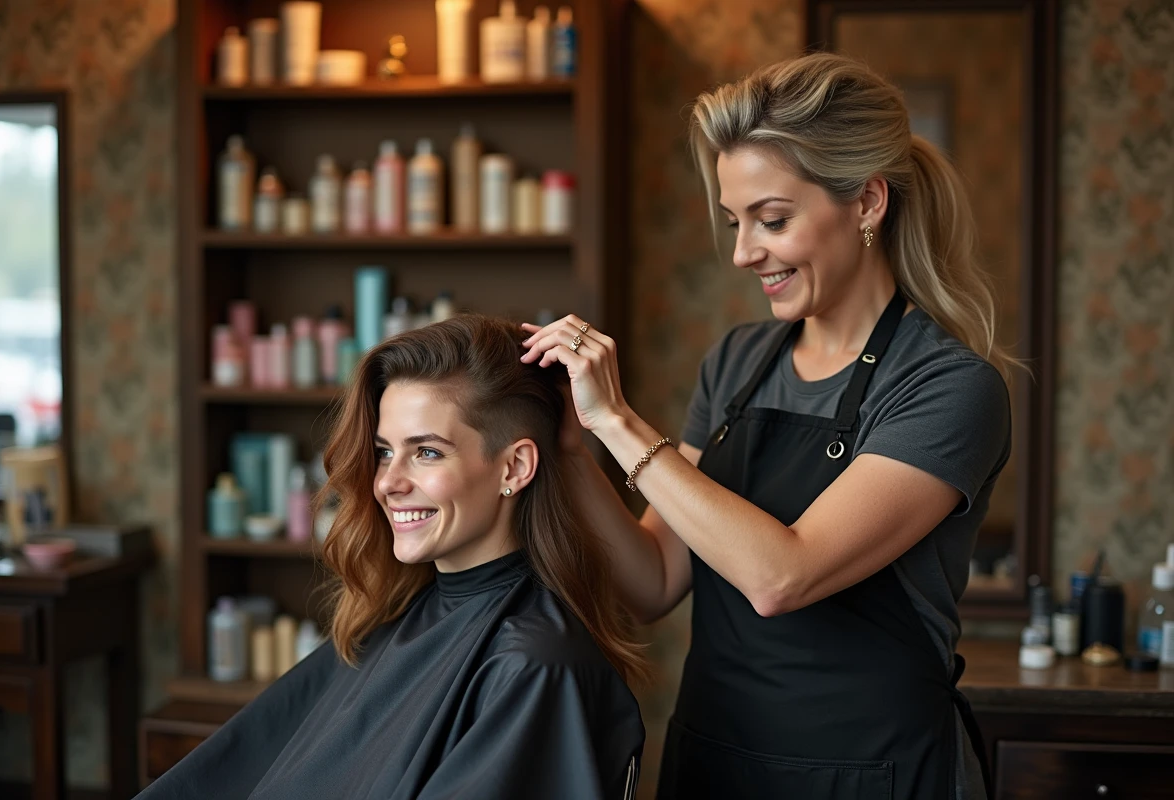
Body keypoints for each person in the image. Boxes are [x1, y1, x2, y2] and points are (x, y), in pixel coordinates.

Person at [521, 52, 1012, 800]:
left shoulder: (947, 386)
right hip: (717, 763)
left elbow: (785, 575)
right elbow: (653, 579)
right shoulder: (739, 361)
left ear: (868, 202)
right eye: (735, 222)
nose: (745, 252)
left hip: (873, 775)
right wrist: (571, 449)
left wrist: (617, 422)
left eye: (771, 220)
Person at [140, 315, 645, 800]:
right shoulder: (397, 614)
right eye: (385, 451)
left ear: (514, 466)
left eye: (426, 452)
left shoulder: (533, 666)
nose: (387, 483)